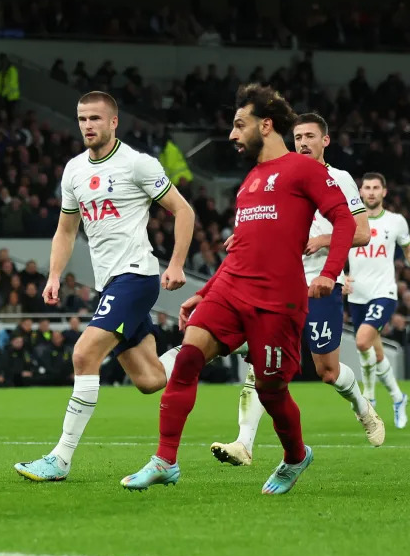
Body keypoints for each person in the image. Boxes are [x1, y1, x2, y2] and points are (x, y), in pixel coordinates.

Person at [122, 84, 356, 493]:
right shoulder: (250, 180)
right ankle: (165, 460)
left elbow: (345, 220)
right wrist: (207, 289)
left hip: (277, 300)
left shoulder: (306, 170)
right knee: (189, 356)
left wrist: (329, 272)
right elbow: (243, 246)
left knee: (270, 390)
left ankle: (296, 456)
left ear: (265, 125)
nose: (232, 134)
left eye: (238, 124)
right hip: (231, 289)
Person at [13, 91, 196, 482]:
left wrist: (177, 263)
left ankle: (60, 459)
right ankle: (209, 344)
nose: (88, 126)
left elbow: (184, 210)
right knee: (149, 380)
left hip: (136, 276)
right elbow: (66, 229)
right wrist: (54, 275)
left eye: (95, 118)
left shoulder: (137, 165)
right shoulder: (74, 170)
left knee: (83, 354)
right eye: (82, 119)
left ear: (114, 122)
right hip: (109, 281)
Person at [209, 112, 383, 469]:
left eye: (309, 136)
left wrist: (321, 239)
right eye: (298, 136)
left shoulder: (339, 178)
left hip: (320, 284)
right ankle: (244, 443)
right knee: (260, 363)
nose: (302, 142)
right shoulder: (281, 175)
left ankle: (364, 408)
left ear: (325, 141)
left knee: (328, 372)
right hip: (275, 284)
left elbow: (362, 232)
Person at [346, 172, 410, 428]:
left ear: (384, 192)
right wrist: (338, 276)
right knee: (375, 352)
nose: (371, 192)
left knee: (362, 341)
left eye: (376, 187)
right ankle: (398, 397)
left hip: (383, 293)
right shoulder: (350, 220)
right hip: (357, 295)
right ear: (361, 192)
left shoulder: (395, 221)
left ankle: (368, 397)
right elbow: (334, 249)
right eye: (366, 187)